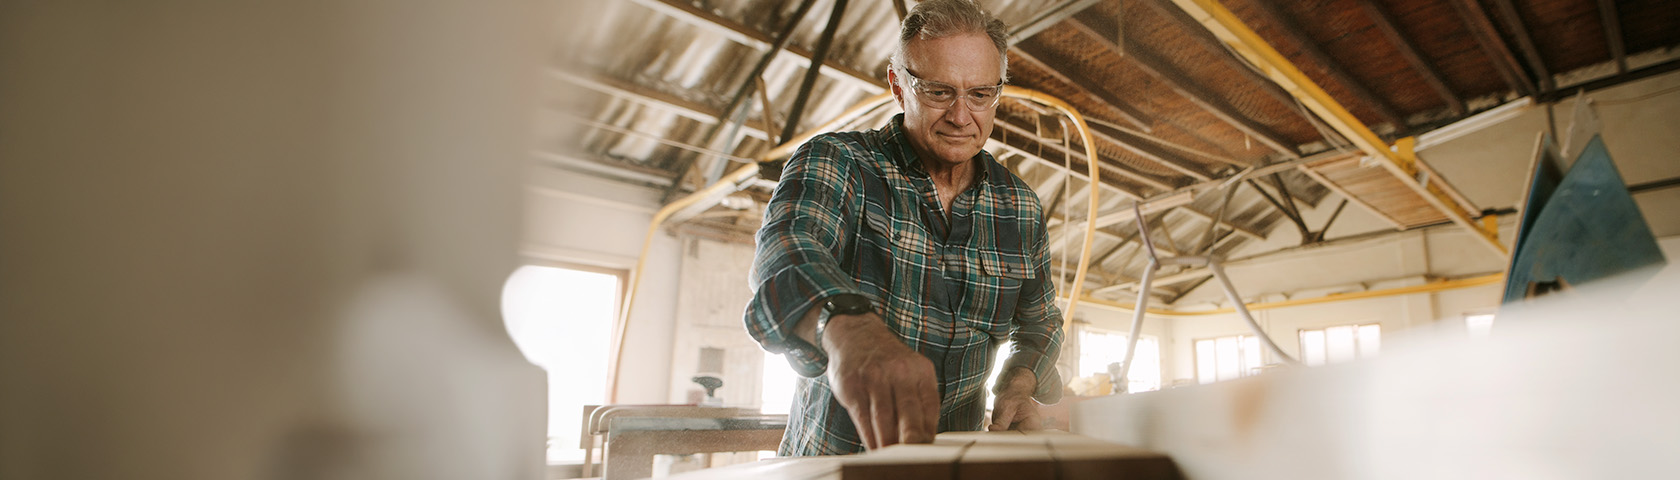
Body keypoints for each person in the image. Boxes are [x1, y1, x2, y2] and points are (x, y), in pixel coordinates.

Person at [743, 0, 1065, 456]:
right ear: (898, 85)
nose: (960, 116)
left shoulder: (1020, 207)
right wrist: (852, 331)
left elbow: (1041, 324)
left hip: (952, 464)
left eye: (979, 95)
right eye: (938, 92)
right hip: (834, 464)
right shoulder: (841, 162)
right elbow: (788, 249)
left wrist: (1019, 381)